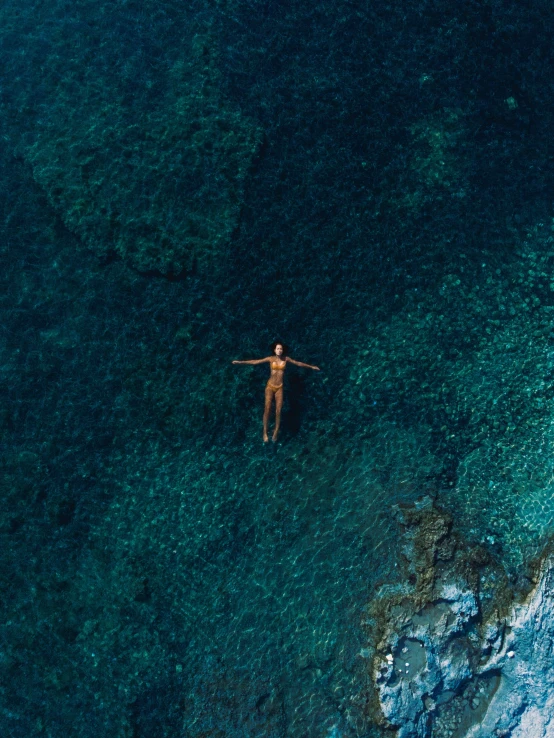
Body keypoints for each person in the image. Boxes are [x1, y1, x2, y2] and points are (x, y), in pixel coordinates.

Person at [232, 341, 320, 442]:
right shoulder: (270, 359)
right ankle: (264, 432)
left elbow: (298, 363)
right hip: (270, 386)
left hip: (279, 387)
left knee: (279, 410)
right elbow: (255, 362)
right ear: (274, 350)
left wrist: (311, 367)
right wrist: (240, 362)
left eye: (281, 349)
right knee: (267, 408)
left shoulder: (286, 359)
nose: (279, 350)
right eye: (278, 349)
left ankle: (276, 431)